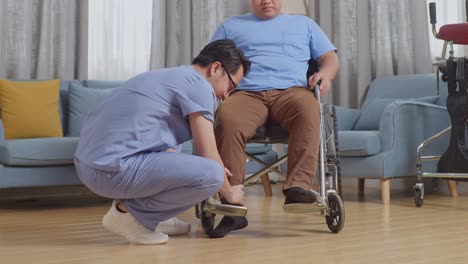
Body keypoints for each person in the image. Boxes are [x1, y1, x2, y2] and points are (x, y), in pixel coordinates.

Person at [74, 39, 251, 245]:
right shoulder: (200, 86)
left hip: (89, 166)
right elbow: (207, 152)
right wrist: (230, 193)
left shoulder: (170, 76)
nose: (227, 95)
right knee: (211, 174)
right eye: (230, 85)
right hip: (109, 172)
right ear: (215, 68)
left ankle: (157, 217)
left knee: (174, 149)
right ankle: (128, 216)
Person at [208, 0, 340, 238]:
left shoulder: (304, 24)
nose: (266, 1)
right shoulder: (231, 26)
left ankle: (297, 187)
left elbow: (330, 59)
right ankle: (232, 202)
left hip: (293, 91)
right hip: (247, 92)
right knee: (227, 118)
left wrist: (325, 75)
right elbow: (211, 64)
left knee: (310, 109)